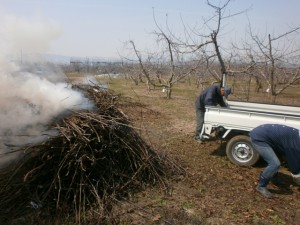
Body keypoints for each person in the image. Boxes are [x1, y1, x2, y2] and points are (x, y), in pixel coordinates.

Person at [249, 124, 300, 198]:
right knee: (275, 164)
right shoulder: (295, 146)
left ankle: (274, 178)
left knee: (278, 159)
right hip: (259, 138)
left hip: (269, 137)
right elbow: (294, 168)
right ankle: (261, 186)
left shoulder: (297, 138)